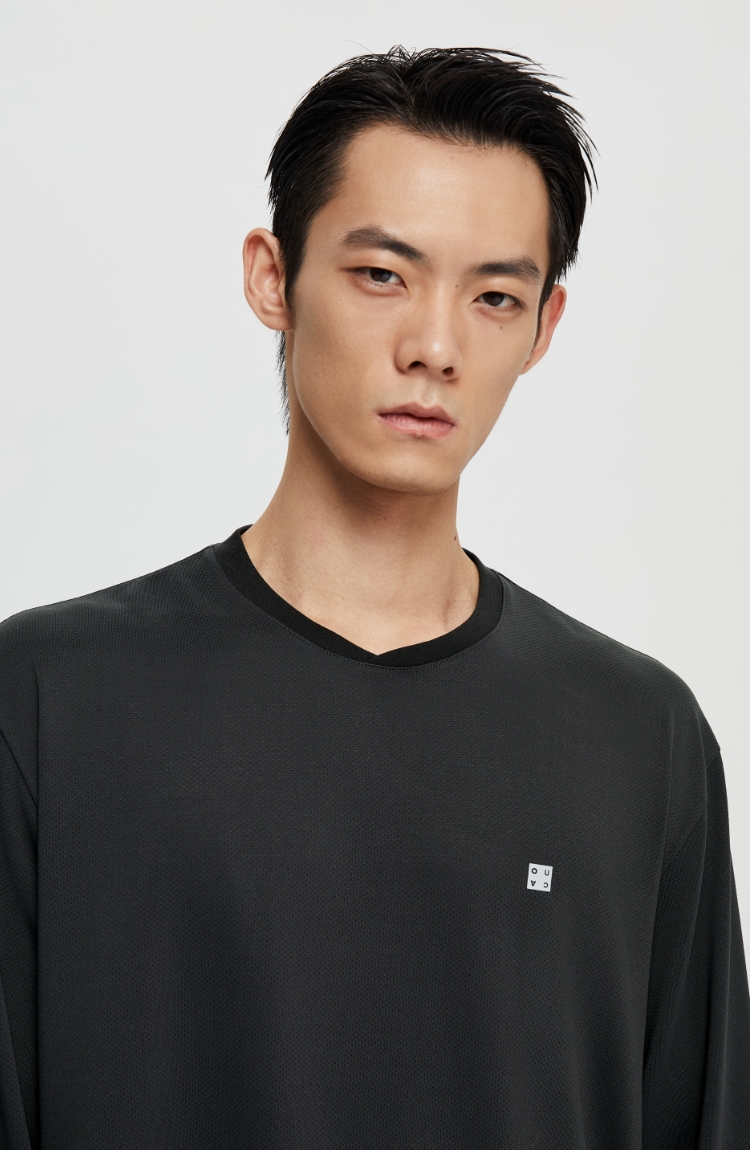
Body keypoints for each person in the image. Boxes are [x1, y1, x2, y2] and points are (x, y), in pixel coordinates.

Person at [0, 45, 748, 1150]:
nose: (434, 347)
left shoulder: (642, 737)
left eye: (494, 296)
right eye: (383, 275)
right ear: (273, 278)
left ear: (544, 328)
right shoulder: (47, 701)